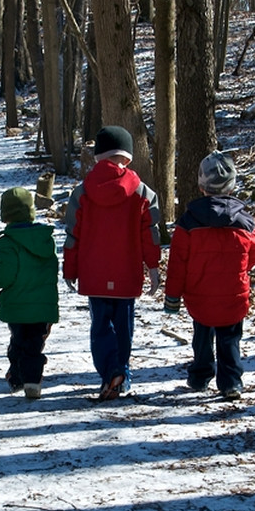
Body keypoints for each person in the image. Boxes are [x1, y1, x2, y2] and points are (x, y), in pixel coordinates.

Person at [63, 125, 162, 400]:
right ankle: (122, 374)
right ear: (128, 159)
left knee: (100, 327)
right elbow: (150, 236)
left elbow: (73, 235)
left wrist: (69, 269)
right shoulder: (143, 193)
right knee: (124, 326)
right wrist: (153, 268)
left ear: (97, 158)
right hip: (127, 274)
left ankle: (110, 372)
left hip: (94, 275)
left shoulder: (81, 192)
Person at [163, 151, 255, 400]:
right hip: (233, 292)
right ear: (232, 185)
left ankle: (200, 376)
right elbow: (254, 254)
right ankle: (230, 382)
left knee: (202, 337)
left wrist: (172, 297)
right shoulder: (246, 223)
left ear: (200, 185)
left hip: (199, 292)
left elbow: (178, 263)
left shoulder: (188, 222)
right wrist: (241, 271)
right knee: (230, 338)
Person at [0, 187, 60, 399]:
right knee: (34, 345)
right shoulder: (45, 239)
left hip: (17, 305)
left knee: (18, 342)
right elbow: (52, 269)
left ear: (5, 215)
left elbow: (6, 272)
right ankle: (32, 381)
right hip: (43, 306)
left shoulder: (8, 242)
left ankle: (16, 378)